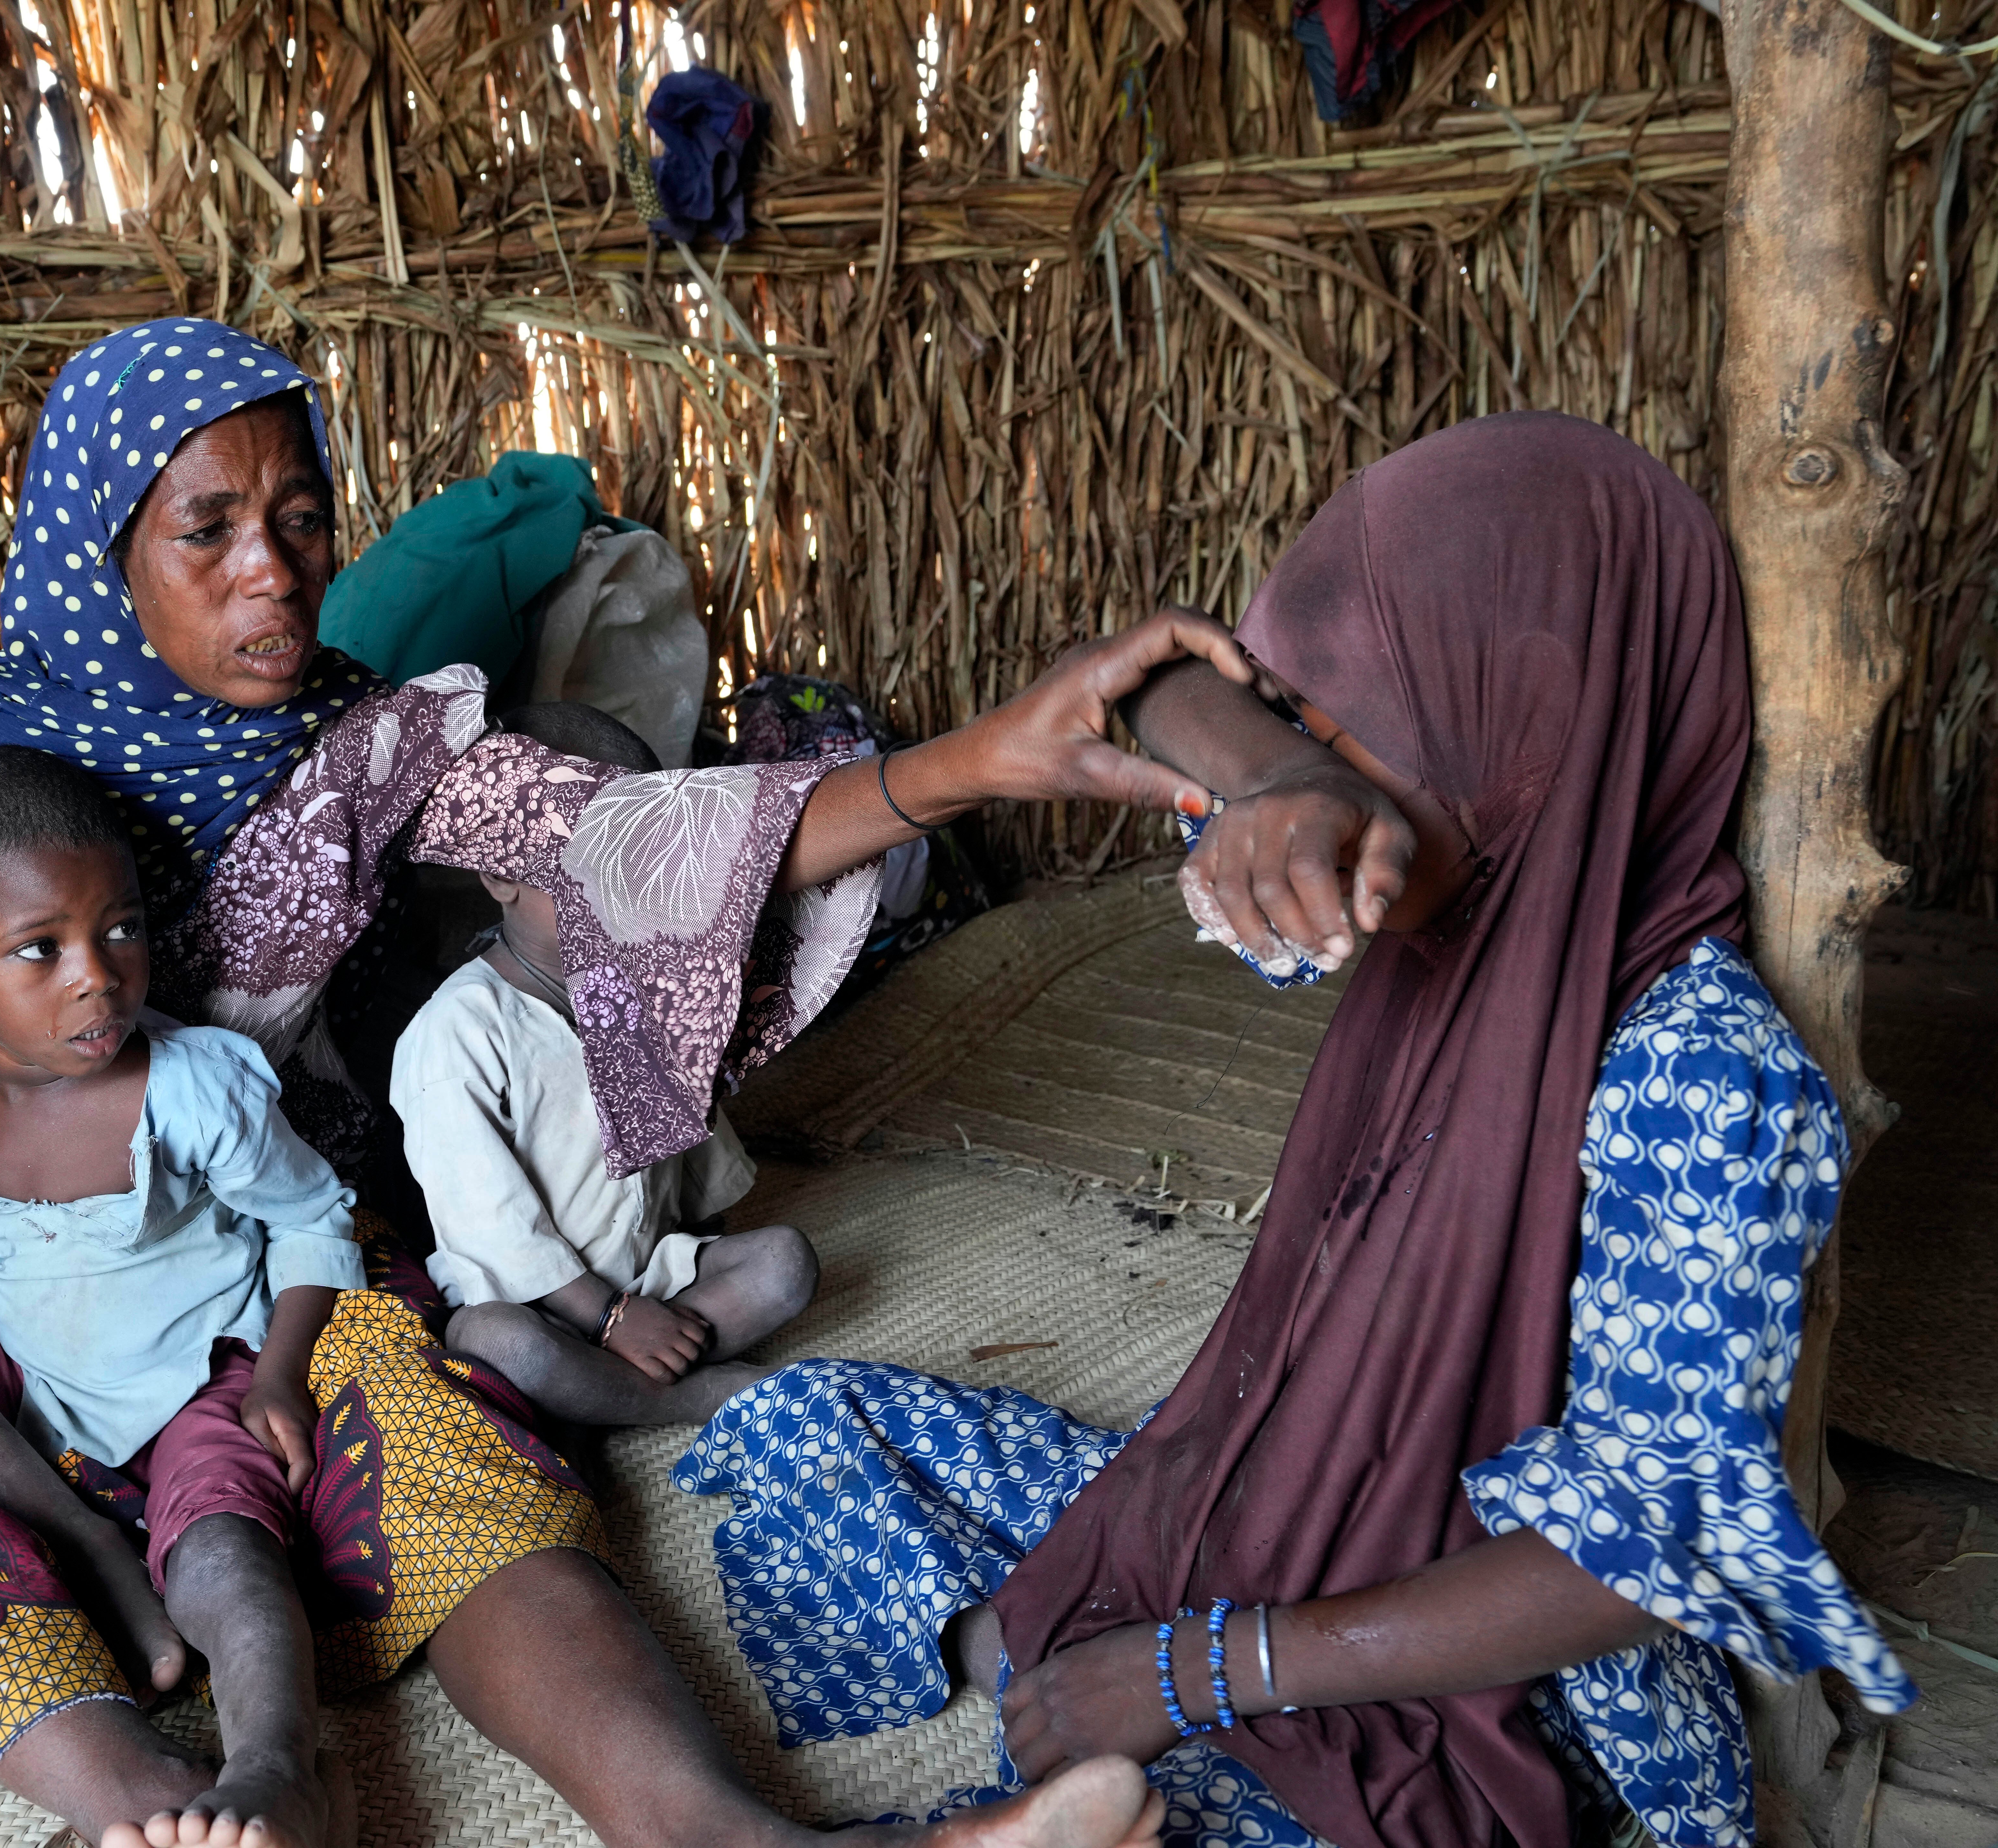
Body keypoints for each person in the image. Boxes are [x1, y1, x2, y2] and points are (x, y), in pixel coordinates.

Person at [0, 313, 1261, 1848]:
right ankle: (154, 1808)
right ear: (101, 552)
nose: (276, 575)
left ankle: (722, 1844)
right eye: (207, 530)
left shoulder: (369, 748)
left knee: (433, 1410)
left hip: (262, 1297)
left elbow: (626, 845)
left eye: (301, 519)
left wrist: (970, 763)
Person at [674, 413, 1911, 1848]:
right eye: (1303, 745)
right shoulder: (1413, 891)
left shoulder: (1705, 1079)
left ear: (1520, 736)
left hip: (1488, 1675)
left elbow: (1633, 1559)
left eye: (1353, 744)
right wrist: (1287, 780)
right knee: (806, 1426)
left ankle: (1082, 1739)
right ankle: (1036, 1677)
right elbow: (1168, 689)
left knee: (1179, 1811)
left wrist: (1200, 1669)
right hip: (1283, 1486)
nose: (1305, 818)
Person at [0, 744, 362, 1846]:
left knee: (226, 1555)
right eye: (38, 949)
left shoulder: (196, 1089)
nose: (96, 976)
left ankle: (277, 1768)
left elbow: (315, 1218)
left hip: (190, 1388)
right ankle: (89, 1543)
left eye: (121, 929)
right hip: (32, 1401)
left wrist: (284, 1378)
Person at [395, 702, 819, 1426]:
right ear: (501, 876)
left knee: (785, 1263)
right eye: (589, 873)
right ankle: (686, 1400)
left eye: (642, 871)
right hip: (534, 1304)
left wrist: (678, 1282)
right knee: (503, 1345)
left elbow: (692, 1140)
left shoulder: (638, 994)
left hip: (654, 1280)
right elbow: (493, 1227)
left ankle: (610, 1396)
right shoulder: (458, 1031)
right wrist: (611, 1318)